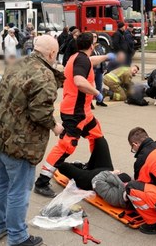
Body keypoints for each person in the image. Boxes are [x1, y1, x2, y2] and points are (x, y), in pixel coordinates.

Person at [0, 35, 64, 246]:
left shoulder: (17, 62)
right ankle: (18, 237)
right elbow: (40, 113)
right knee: (18, 189)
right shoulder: (45, 75)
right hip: (19, 142)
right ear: (52, 54)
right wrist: (56, 127)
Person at [34, 32, 115, 198]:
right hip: (75, 113)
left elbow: (91, 61)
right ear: (91, 46)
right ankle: (42, 181)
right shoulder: (81, 60)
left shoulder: (77, 57)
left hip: (84, 113)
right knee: (67, 145)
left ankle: (95, 167)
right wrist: (96, 93)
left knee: (96, 135)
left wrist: (106, 56)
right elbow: (79, 81)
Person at [92, 33, 108, 107]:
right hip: (92, 70)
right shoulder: (88, 46)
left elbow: (103, 57)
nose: (94, 38)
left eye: (95, 36)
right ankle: (89, 103)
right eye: (92, 36)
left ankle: (100, 101)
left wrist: (104, 68)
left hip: (99, 69)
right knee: (91, 86)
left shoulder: (99, 46)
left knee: (99, 86)